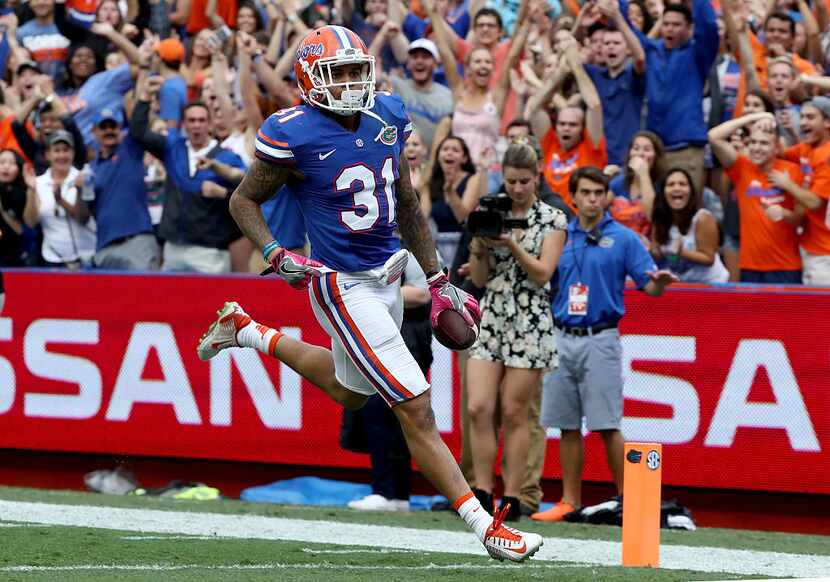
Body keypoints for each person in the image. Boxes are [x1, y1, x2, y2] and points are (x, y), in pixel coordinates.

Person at [195, 25, 542, 562]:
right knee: (417, 407)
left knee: (350, 392)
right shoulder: (292, 131)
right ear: (311, 77)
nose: (354, 83)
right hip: (340, 284)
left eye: (360, 71)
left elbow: (405, 201)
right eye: (342, 74)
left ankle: (247, 331)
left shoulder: (389, 115)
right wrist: (274, 253)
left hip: (389, 274)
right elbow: (243, 201)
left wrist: (437, 276)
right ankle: (484, 525)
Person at [532, 166, 677, 522]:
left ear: (606, 196)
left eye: (599, 193)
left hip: (601, 337)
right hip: (562, 334)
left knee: (607, 424)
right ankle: (569, 500)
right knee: (565, 423)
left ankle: (629, 499)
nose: (594, 200)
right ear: (574, 197)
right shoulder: (561, 235)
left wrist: (659, 282)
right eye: (586, 193)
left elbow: (650, 286)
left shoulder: (625, 238)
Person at [465, 142, 567, 520]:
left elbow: (543, 273)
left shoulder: (552, 219)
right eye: (510, 181)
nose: (517, 189)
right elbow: (478, 278)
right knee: (478, 407)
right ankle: (480, 489)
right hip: (493, 311)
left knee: (514, 412)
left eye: (524, 181)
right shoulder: (493, 210)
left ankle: (512, 495)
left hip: (530, 316)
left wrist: (510, 244)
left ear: (537, 178)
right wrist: (480, 245)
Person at [130, 74, 247, 273]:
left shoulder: (228, 158)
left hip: (210, 252)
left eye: (201, 120)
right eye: (191, 121)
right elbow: (138, 132)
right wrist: (144, 96)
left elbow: (248, 197)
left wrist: (222, 194)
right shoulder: (173, 147)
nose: (196, 125)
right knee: (169, 304)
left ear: (209, 124)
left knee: (212, 304)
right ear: (184, 124)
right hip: (174, 248)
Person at [345, 249, 433, 512]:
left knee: (390, 413)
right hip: (384, 333)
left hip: (406, 338)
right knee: (384, 416)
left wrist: (367, 291)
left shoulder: (412, 247)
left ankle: (389, 490)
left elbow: (420, 293)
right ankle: (392, 492)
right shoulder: (373, 243)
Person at [621, 0, 719, 192]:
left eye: (676, 25)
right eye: (666, 24)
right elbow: (628, 29)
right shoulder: (652, 50)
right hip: (654, 153)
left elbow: (708, 27)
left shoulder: (698, 54)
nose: (670, 29)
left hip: (686, 150)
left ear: (689, 28)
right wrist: (619, 9)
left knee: (684, 212)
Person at [708, 112, 804, 283]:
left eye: (764, 143)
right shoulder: (742, 167)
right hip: (750, 266)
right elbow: (714, 136)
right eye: (753, 142)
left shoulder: (792, 171)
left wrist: (784, 213)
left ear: (776, 148)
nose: (756, 147)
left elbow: (802, 221)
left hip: (786, 266)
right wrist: (755, 117)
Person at [528, 37, 607, 211]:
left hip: (579, 221)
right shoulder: (550, 144)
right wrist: (562, 71)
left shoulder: (591, 148)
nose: (566, 128)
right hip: (549, 223)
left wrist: (576, 66)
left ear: (582, 129)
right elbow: (534, 108)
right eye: (562, 124)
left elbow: (594, 106)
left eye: (573, 125)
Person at [87, 108, 160, 270]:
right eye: (103, 127)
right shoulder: (91, 169)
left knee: (146, 294)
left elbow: (139, 122)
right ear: (94, 132)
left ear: (120, 129)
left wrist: (142, 91)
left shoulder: (130, 149)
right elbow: (87, 212)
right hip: (104, 246)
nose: (108, 131)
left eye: (112, 126)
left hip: (137, 241)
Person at [22, 130, 96, 268]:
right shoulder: (38, 183)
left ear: (73, 153)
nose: (61, 155)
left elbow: (83, 218)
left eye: (66, 150)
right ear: (48, 155)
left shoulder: (84, 178)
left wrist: (63, 200)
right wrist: (31, 190)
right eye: (56, 150)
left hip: (87, 257)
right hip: (53, 259)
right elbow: (31, 222)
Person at [651, 167, 729, 283]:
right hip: (681, 283)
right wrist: (652, 250)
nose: (677, 188)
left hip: (711, 283)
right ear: (663, 192)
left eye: (682, 184)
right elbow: (664, 255)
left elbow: (709, 258)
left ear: (690, 191)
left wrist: (682, 253)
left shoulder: (702, 218)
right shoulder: (660, 219)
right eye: (671, 184)